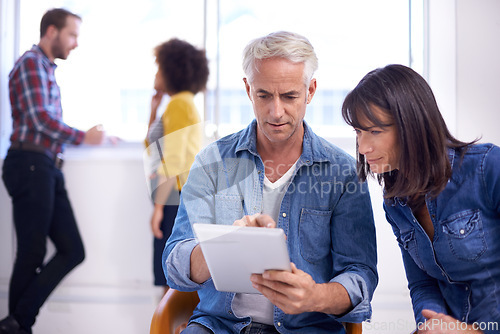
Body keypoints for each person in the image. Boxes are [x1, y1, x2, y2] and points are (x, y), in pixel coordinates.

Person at [163, 31, 378, 333]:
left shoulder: (342, 172)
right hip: (219, 325)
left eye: (289, 96)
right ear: (248, 90)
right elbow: (174, 264)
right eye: (264, 95)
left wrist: (316, 296)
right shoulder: (212, 163)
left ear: (310, 91)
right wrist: (223, 247)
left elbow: (360, 275)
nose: (276, 112)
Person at [341, 64, 500, 334]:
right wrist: (433, 324)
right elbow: (423, 284)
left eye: (375, 131)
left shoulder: (487, 168)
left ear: (411, 125)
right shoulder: (395, 204)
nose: (362, 147)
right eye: (358, 132)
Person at [0, 8, 107, 334]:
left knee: (72, 249)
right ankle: (19, 325)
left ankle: (16, 322)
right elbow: (39, 119)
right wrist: (83, 137)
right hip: (30, 165)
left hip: (45, 165)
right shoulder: (31, 63)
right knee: (32, 252)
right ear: (51, 31)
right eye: (71, 35)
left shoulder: (45, 68)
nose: (74, 43)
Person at [144, 38, 209, 296]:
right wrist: (153, 109)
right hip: (173, 194)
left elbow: (173, 160)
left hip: (175, 197)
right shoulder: (177, 103)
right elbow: (151, 148)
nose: (156, 74)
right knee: (169, 271)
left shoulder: (179, 104)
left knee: (170, 272)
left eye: (159, 69)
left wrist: (159, 207)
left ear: (172, 71)